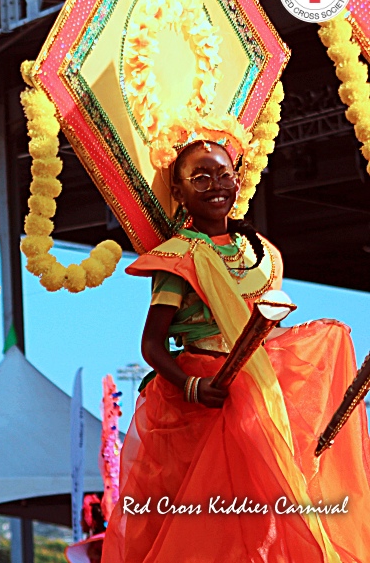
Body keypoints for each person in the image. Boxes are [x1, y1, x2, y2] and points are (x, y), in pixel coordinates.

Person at [102, 133, 370, 562]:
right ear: (178, 190)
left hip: (260, 389)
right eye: (200, 178)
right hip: (203, 399)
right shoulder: (176, 259)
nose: (216, 186)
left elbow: (268, 334)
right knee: (208, 522)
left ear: (238, 179)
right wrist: (193, 387)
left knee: (273, 516)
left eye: (224, 174)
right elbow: (152, 345)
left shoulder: (262, 254)